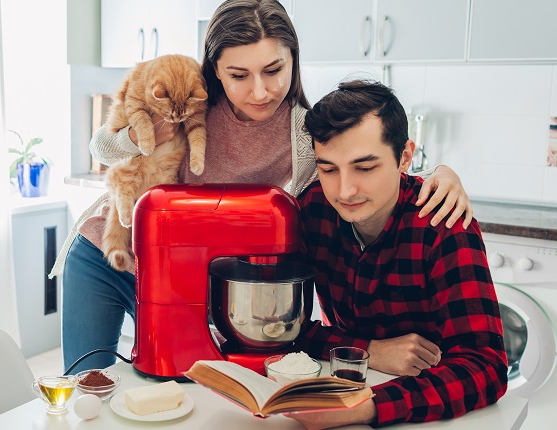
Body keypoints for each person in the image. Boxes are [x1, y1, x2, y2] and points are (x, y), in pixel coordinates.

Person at [52, 0, 473, 372]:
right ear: (214, 68)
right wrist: (139, 138)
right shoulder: (186, 102)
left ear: (293, 60)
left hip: (187, 278)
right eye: (239, 74)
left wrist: (438, 174)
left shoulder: (302, 132)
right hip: (106, 256)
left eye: (274, 70)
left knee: (184, 391)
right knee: (90, 391)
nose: (260, 91)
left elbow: (357, 161)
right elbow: (101, 148)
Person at [289, 80, 507, 428]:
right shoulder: (312, 209)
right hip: (351, 379)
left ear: (405, 157)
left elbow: (485, 367)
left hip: (434, 409)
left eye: (365, 167)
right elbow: (287, 328)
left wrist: (363, 406)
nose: (344, 190)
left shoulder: (443, 224)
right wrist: (371, 349)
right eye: (328, 169)